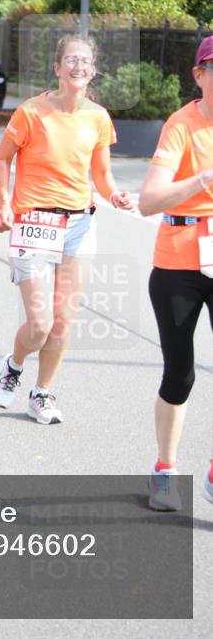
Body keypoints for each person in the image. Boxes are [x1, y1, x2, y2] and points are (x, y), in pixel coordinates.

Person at [0, 34, 133, 424]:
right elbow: (2, 159)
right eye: (70, 59)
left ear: (93, 70)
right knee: (39, 326)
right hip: (34, 222)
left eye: (85, 60)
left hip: (78, 225)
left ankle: (41, 393)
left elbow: (101, 173)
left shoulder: (98, 117)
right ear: (57, 68)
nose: (78, 66)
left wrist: (114, 194)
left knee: (63, 320)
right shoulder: (31, 112)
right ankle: (14, 364)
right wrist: (4, 203)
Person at [138, 35, 213, 510]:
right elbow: (148, 201)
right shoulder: (182, 125)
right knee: (180, 375)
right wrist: (202, 179)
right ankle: (165, 468)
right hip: (179, 262)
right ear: (199, 75)